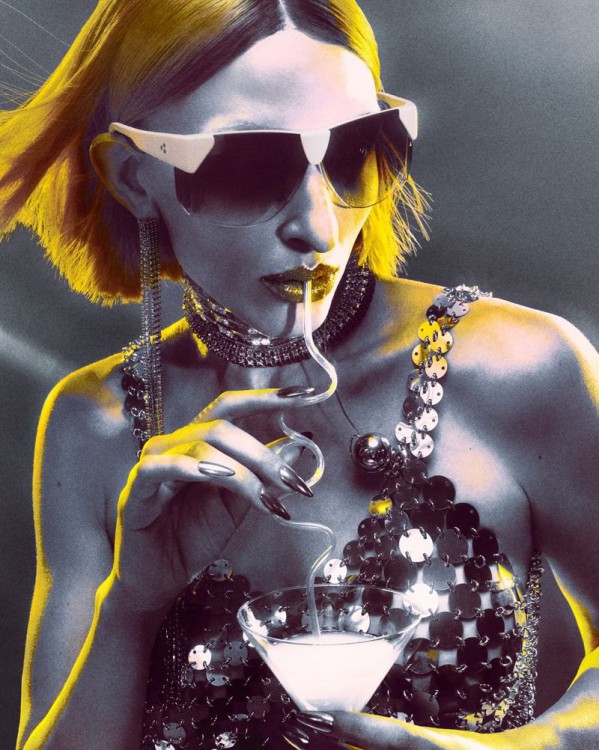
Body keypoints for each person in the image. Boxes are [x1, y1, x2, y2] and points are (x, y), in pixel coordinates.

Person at [1, 0, 597, 748]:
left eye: (354, 152)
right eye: (250, 168)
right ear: (133, 176)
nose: (318, 227)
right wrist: (130, 604)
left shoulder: (516, 367)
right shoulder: (98, 425)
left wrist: (525, 748)